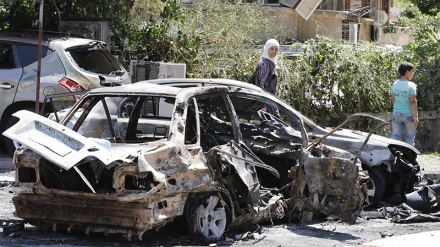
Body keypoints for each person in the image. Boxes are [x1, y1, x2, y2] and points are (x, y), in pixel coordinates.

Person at [390, 62, 419, 146]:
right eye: (412, 71)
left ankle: (389, 155)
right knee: (410, 137)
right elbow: (413, 101)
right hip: (408, 115)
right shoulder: (411, 85)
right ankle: (409, 158)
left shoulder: (395, 84)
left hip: (396, 113)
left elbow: (393, 99)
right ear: (407, 72)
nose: (413, 74)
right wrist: (416, 116)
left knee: (395, 135)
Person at [254, 39, 280, 117]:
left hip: (271, 102)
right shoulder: (264, 64)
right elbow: (261, 85)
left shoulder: (270, 63)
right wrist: (263, 106)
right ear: (266, 49)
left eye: (276, 49)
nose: (274, 51)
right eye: (271, 49)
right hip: (267, 105)